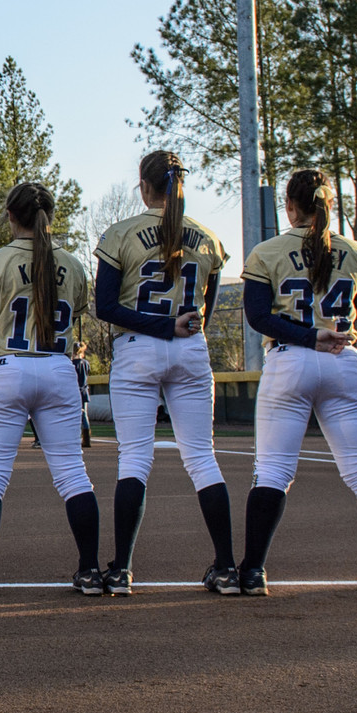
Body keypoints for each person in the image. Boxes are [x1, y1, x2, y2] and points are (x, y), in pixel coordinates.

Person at [236, 169, 357, 597]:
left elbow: (258, 317)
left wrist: (308, 335)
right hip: (343, 360)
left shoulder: (268, 251)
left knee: (272, 470)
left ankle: (252, 571)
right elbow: (355, 313)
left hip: (292, 360)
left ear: (290, 206)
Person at [93, 149, 232, 596]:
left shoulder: (122, 233)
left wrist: (157, 324)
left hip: (138, 349)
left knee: (134, 458)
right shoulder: (208, 238)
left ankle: (121, 571)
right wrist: (175, 324)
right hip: (190, 349)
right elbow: (203, 310)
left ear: (144, 186)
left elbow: (106, 307)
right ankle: (227, 567)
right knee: (202, 458)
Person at [0, 181, 97, 599]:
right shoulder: (72, 265)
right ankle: (89, 570)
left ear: (11, 216)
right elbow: (77, 324)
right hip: (58, 368)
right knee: (73, 474)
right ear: (49, 217)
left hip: (7, 369)